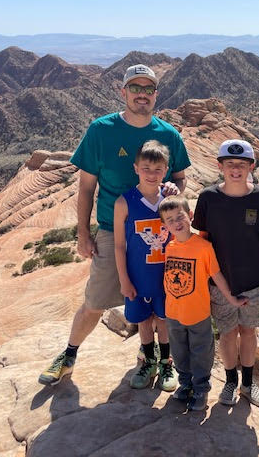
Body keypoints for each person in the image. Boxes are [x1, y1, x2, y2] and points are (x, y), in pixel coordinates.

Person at [38, 64, 190, 387]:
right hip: (113, 230)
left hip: (160, 234)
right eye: (135, 88)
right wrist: (83, 233)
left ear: (155, 95)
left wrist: (175, 189)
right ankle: (68, 355)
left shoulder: (169, 135)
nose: (141, 95)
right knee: (95, 302)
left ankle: (156, 360)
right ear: (123, 92)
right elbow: (86, 188)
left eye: (148, 89)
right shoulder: (101, 130)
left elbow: (180, 178)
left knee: (161, 303)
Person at [192, 139, 259, 409]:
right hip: (221, 281)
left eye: (241, 164)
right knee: (228, 333)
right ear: (220, 166)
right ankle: (230, 382)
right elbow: (203, 238)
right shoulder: (208, 198)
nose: (236, 169)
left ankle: (248, 384)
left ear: (252, 166)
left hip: (255, 281)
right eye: (230, 164)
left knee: (248, 332)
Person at [159, 195, 247, 411]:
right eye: (170, 220)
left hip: (197, 313)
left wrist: (232, 299)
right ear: (165, 225)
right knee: (179, 352)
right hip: (173, 313)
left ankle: (200, 388)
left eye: (180, 216)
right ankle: (185, 384)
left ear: (190, 216)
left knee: (201, 352)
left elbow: (216, 275)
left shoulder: (203, 247)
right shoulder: (170, 247)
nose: (176, 223)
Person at [113, 141, 178, 391]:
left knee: (164, 319)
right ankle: (148, 362)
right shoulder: (124, 202)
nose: (152, 174)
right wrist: (124, 280)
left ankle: (166, 363)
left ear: (166, 170)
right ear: (136, 168)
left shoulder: (170, 200)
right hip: (138, 275)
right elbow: (119, 245)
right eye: (146, 168)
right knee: (143, 320)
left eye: (158, 169)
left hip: (166, 275)